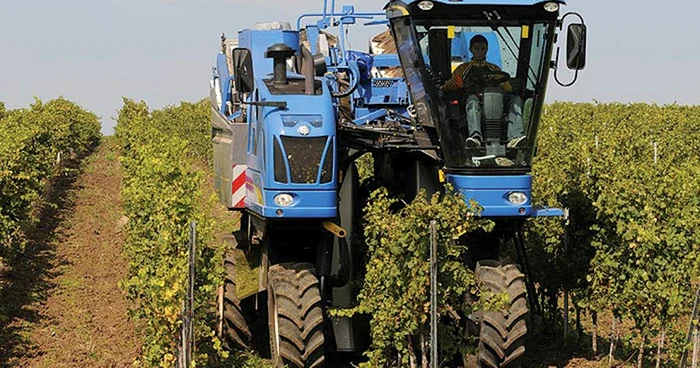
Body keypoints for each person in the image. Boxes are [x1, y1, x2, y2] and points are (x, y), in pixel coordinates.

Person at [443, 34, 526, 149]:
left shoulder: (495, 69)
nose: (480, 52)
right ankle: (475, 137)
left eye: (483, 49)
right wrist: (448, 85)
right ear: (471, 50)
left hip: (495, 102)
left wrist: (500, 82)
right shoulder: (463, 69)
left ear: (487, 49)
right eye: (477, 49)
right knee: (472, 100)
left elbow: (508, 89)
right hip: (473, 101)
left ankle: (515, 136)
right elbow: (450, 84)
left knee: (515, 99)